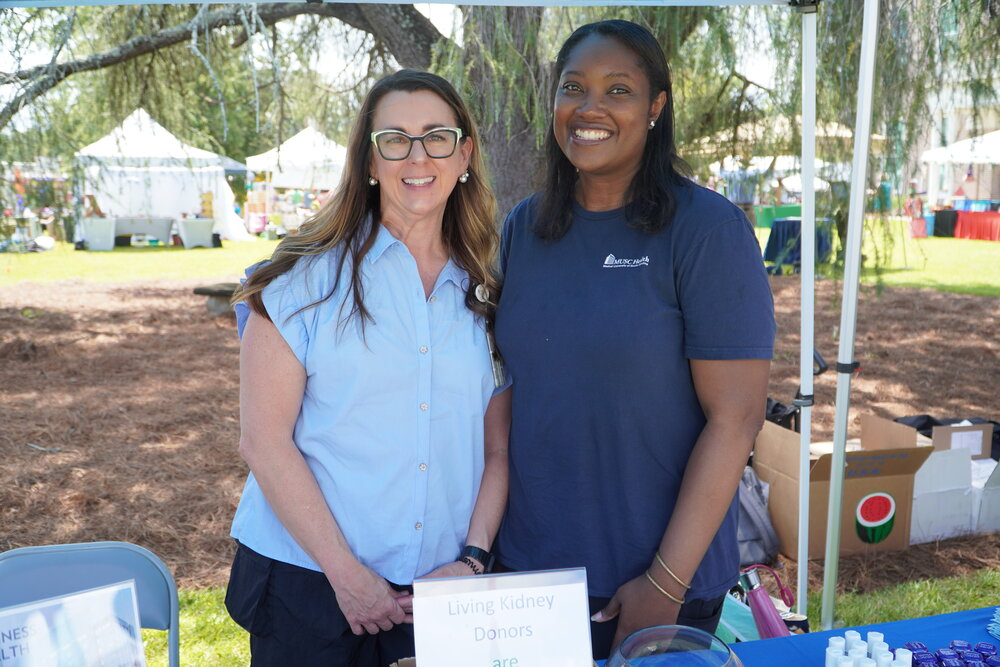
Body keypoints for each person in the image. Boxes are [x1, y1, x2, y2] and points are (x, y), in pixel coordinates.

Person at [493, 20, 775, 660]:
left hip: (653, 584)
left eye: (618, 90)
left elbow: (736, 420)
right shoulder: (524, 227)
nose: (589, 108)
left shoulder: (707, 230)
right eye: (573, 87)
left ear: (655, 108)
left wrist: (664, 584)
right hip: (530, 578)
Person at [225, 69, 511, 667]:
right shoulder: (296, 282)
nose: (417, 155)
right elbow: (264, 442)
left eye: (436, 136)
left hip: (440, 593)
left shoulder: (490, 296)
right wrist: (346, 573)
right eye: (394, 139)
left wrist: (474, 559)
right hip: (308, 587)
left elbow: (497, 452)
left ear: (465, 155)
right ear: (370, 160)